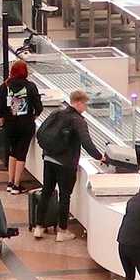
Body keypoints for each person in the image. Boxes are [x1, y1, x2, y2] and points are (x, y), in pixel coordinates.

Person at [34, 90, 105, 241]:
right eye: (85, 104)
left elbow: (40, 132)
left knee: (46, 192)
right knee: (65, 196)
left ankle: (38, 227)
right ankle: (62, 231)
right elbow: (86, 142)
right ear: (78, 102)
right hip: (65, 163)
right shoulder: (78, 120)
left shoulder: (57, 113)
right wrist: (100, 157)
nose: (85, 108)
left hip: (48, 158)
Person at [0, 60, 41, 193]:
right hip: (25, 125)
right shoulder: (30, 87)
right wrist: (32, 117)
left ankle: (10, 182)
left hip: (10, 125)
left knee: (12, 152)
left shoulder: (4, 86)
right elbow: (38, 107)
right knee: (21, 153)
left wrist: (2, 124)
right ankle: (17, 185)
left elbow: (0, 109)